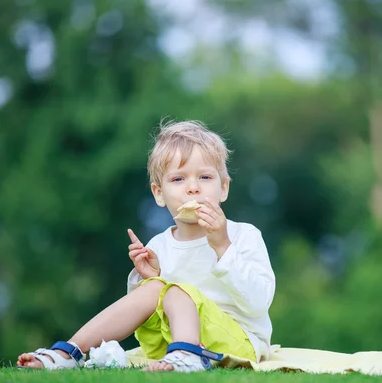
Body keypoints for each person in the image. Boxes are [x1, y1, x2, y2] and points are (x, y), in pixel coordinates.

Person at [17, 120, 276, 372]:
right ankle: (69, 352)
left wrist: (222, 247)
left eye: (205, 177)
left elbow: (258, 303)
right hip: (170, 343)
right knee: (156, 288)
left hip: (240, 342)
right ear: (159, 193)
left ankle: (188, 354)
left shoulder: (243, 236)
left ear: (223, 189)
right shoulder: (160, 244)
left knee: (175, 291)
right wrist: (149, 279)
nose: (193, 188)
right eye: (178, 180)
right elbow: (141, 310)